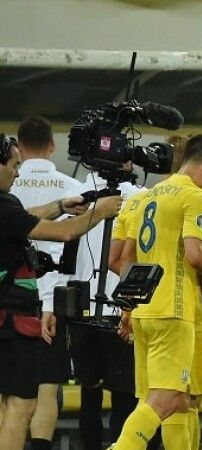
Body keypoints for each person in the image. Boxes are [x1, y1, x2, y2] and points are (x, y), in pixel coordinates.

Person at [112, 134, 202, 450]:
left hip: (145, 310)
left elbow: (125, 259)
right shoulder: (193, 196)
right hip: (175, 310)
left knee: (177, 400)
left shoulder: (145, 198)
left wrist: (129, 308)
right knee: (168, 398)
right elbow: (196, 255)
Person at [0, 135, 122, 449]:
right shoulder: (4, 206)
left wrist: (60, 206)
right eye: (13, 166)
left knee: (6, 403)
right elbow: (64, 232)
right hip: (11, 319)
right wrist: (100, 212)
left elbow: (25, 217)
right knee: (20, 403)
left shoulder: (7, 206)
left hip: (8, 318)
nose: (17, 173)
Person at [9, 115, 82, 450]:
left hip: (10, 299)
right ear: (52, 146)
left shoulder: (9, 187)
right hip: (55, 299)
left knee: (7, 389)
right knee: (47, 385)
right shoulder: (73, 188)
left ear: (20, 147)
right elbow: (76, 248)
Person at [70, 169, 143, 450]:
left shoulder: (77, 195)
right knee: (123, 394)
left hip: (85, 307)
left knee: (91, 393)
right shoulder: (141, 197)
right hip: (121, 308)